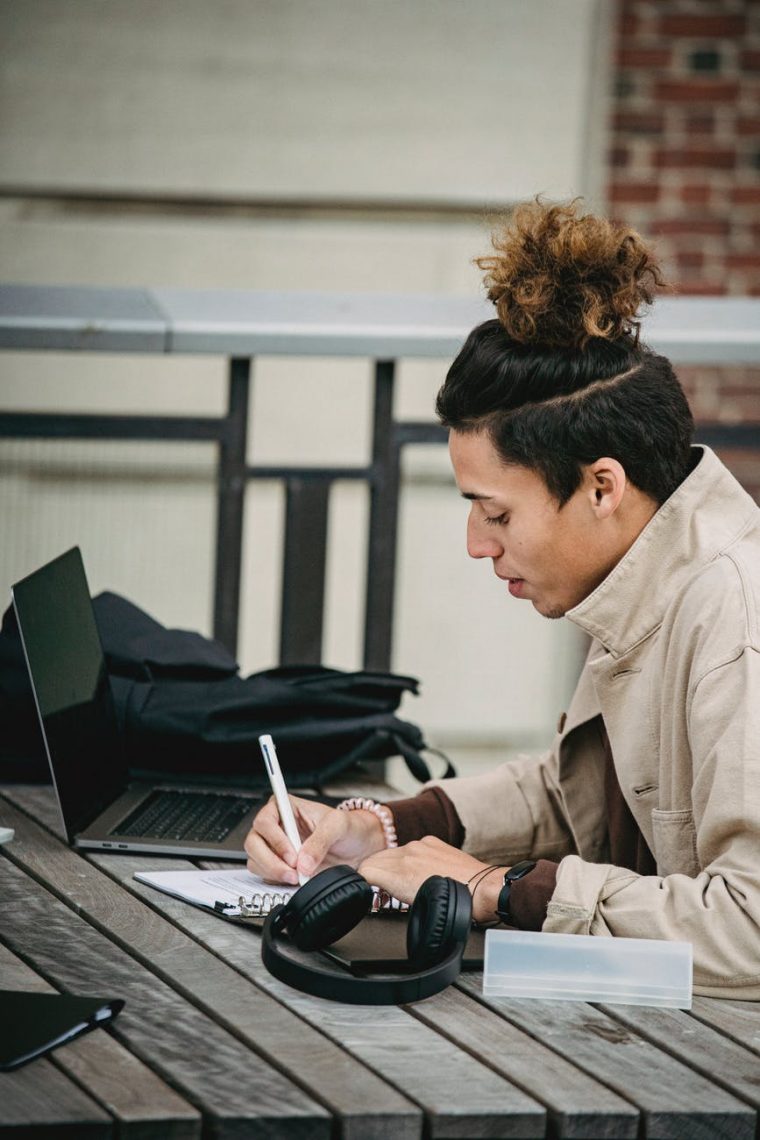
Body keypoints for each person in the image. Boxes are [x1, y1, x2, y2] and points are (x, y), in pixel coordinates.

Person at [246, 199, 760, 998]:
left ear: (601, 486)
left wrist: (497, 889)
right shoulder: (646, 574)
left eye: (498, 514)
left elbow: (750, 931)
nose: (478, 546)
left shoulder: (735, 619)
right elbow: (570, 796)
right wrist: (375, 830)